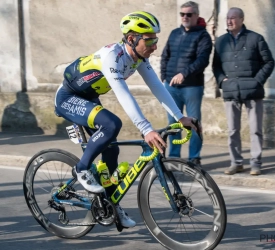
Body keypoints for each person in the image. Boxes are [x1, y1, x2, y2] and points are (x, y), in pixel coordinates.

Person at [54, 11, 202, 228]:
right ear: (131, 39)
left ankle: (110, 205)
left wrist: (180, 117)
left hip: (89, 98)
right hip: (69, 97)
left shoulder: (138, 58)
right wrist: (146, 129)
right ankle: (82, 168)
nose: (154, 46)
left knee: (111, 150)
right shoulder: (112, 56)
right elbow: (123, 94)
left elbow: (157, 88)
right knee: (112, 124)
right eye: (149, 40)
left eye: (156, 40)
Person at [212, 7, 275, 176]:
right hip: (230, 91)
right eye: (227, 18)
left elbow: (269, 62)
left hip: (253, 92)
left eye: (233, 18)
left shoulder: (255, 38)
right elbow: (216, 66)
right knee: (232, 130)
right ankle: (236, 162)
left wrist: (257, 81)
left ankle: (256, 163)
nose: (229, 21)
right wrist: (222, 81)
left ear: (241, 19)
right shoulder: (221, 41)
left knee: (255, 130)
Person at [160, 1, 212, 166]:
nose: (185, 17)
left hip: (192, 87)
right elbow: (165, 55)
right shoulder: (175, 33)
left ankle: (194, 157)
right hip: (171, 87)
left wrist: (184, 73)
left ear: (196, 15)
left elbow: (202, 60)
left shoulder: (203, 36)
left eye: (189, 14)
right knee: (173, 124)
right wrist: (163, 76)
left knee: (194, 123)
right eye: (182, 14)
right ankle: (174, 157)